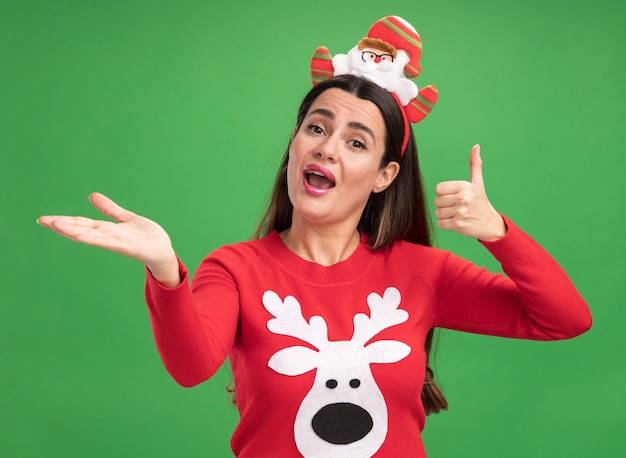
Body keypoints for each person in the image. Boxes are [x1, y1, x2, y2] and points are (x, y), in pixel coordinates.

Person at [37, 16, 591, 458]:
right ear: (295, 147)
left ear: (384, 176)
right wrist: (164, 270)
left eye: (356, 142)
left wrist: (498, 233)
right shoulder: (234, 269)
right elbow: (190, 367)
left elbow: (565, 319)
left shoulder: (424, 273)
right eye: (317, 128)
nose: (326, 147)